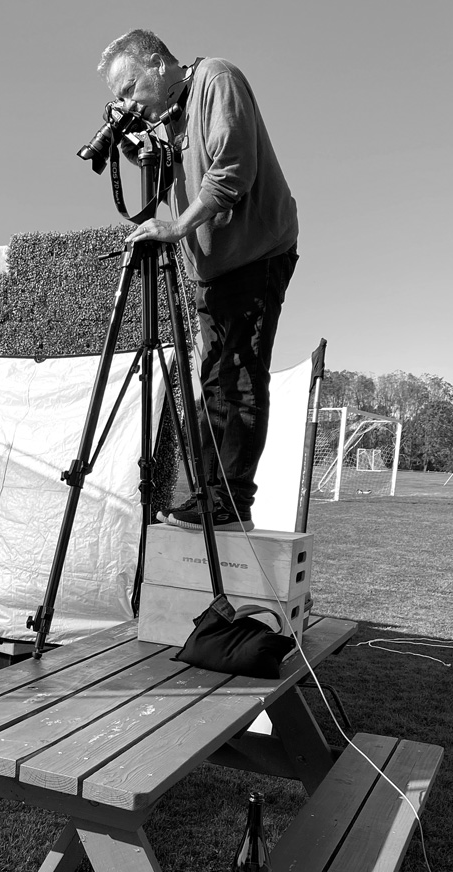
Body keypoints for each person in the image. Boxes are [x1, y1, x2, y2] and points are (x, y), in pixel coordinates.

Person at [99, 29, 299, 531]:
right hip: (213, 268)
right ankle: (209, 497)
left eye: (128, 89)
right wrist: (140, 154)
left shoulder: (216, 78)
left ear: (158, 65)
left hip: (256, 253)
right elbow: (176, 177)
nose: (126, 102)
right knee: (213, 380)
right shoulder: (173, 115)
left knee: (241, 376)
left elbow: (233, 168)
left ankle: (232, 503)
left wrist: (177, 228)